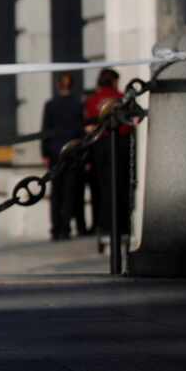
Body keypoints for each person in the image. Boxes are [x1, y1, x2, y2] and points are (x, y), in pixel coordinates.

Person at [85, 68, 132, 250]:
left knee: (102, 188)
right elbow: (128, 125)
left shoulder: (92, 101)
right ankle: (122, 229)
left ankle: (104, 229)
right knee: (121, 187)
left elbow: (89, 126)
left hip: (100, 147)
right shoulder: (121, 98)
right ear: (113, 81)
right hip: (119, 145)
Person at [41, 73, 88, 240]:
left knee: (56, 192)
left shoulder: (50, 105)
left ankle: (55, 228)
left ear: (58, 85)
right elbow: (81, 131)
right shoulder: (78, 104)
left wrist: (45, 152)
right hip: (73, 151)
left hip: (55, 151)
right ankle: (65, 228)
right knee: (70, 191)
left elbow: (45, 129)